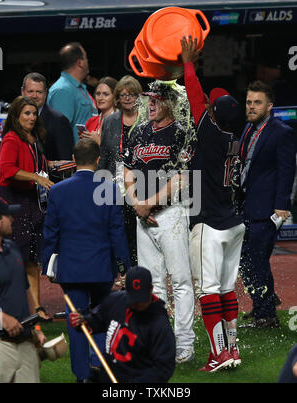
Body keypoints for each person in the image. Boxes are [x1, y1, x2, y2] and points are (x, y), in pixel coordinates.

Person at [42, 138, 131, 383]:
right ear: (98, 160)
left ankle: (82, 376)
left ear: (73, 160)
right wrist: (126, 266)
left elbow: (51, 231)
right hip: (102, 267)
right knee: (101, 319)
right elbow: (116, 232)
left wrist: (46, 263)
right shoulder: (110, 189)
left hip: (71, 270)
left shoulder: (58, 191)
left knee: (76, 321)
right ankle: (100, 369)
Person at [181, 36, 245, 372]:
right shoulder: (236, 136)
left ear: (213, 113)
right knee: (224, 289)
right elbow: (205, 101)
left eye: (211, 105)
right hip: (234, 222)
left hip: (209, 222)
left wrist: (188, 61)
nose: (206, 106)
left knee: (207, 291)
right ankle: (232, 350)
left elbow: (193, 90)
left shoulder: (208, 131)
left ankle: (219, 354)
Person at [123, 80, 195, 364]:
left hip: (172, 213)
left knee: (180, 281)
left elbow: (183, 178)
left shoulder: (182, 132)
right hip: (144, 217)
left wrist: (147, 203)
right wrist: (135, 203)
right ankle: (159, 341)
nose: (149, 104)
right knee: (152, 284)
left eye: (156, 99)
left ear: (170, 102)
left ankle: (184, 345)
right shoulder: (137, 131)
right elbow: (126, 171)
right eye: (148, 99)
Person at [239, 80, 296, 328]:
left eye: (257, 102)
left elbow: (287, 171)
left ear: (269, 106)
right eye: (249, 102)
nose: (251, 107)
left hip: (268, 209)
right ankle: (263, 302)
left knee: (257, 260)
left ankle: (267, 315)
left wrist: (282, 206)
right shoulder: (248, 130)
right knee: (246, 260)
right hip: (247, 206)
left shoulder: (281, 132)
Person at [0, 96, 54, 321]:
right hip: (12, 200)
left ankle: (37, 308)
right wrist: (36, 178)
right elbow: (7, 170)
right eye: (27, 113)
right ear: (16, 116)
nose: (31, 117)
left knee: (31, 256)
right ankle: (13, 306)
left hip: (30, 201)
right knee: (17, 254)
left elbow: (36, 167)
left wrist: (50, 168)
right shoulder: (11, 138)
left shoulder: (33, 138)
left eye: (34, 113)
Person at [69, 266, 176, 383]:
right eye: (134, 300)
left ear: (151, 289)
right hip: (110, 375)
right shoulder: (116, 301)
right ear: (126, 290)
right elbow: (98, 320)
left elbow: (164, 368)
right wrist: (83, 322)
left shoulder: (159, 323)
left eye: (142, 300)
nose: (138, 305)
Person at [0, 196, 46, 383]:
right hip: (0, 346)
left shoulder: (13, 249)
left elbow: (26, 290)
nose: (13, 219)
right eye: (8, 216)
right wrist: (1, 318)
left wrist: (36, 327)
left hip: (26, 344)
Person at [99, 75, 142, 266]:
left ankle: (142, 274)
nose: (127, 98)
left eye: (131, 94)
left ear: (138, 96)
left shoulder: (148, 119)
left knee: (141, 233)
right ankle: (127, 273)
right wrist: (99, 186)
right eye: (122, 94)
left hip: (144, 184)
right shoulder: (109, 122)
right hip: (116, 185)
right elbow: (105, 156)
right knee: (120, 233)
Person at [47, 42, 97, 144]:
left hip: (89, 157)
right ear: (80, 63)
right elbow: (60, 134)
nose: (88, 61)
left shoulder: (79, 88)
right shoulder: (62, 90)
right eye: (86, 58)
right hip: (75, 158)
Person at [21, 72, 74, 161]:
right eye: (30, 91)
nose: (34, 96)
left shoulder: (59, 120)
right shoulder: (15, 117)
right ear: (22, 92)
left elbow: (65, 161)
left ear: (45, 93)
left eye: (39, 92)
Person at [79, 76, 117, 145]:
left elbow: (121, 153)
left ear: (114, 97)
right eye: (98, 94)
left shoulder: (121, 122)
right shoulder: (91, 121)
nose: (100, 98)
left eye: (105, 94)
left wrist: (99, 141)